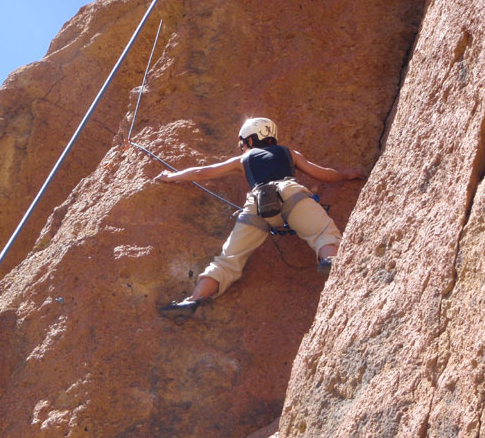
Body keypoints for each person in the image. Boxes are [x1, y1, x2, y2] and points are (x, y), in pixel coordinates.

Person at [155, 117, 365, 318]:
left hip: (257, 204)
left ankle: (193, 299)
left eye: (243, 143)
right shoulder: (289, 153)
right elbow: (323, 174)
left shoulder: (243, 159)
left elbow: (204, 172)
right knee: (322, 233)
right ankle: (329, 260)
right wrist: (346, 174)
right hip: (291, 194)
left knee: (228, 260)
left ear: (251, 140)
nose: (242, 147)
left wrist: (172, 176)